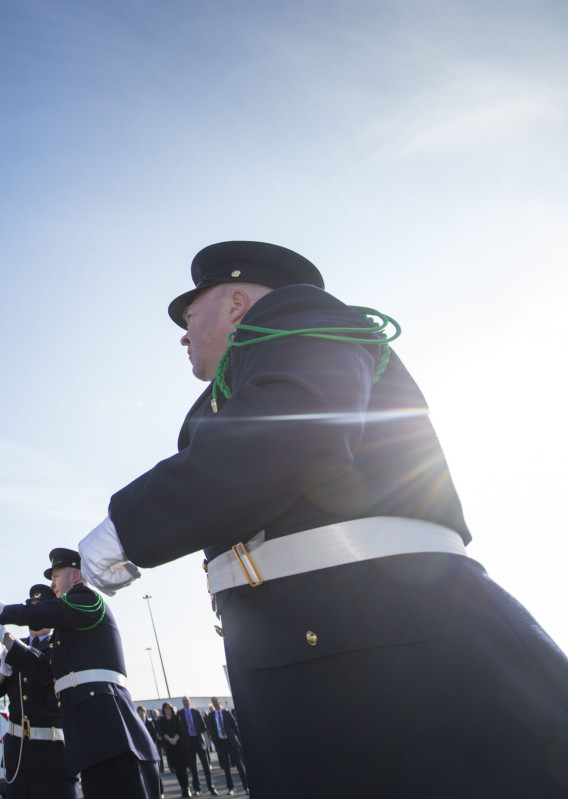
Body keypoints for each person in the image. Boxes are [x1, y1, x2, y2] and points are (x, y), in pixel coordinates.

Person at [77, 240, 568, 797]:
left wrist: (128, 524)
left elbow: (291, 431)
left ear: (238, 304)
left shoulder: (300, 316)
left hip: (384, 642)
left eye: (191, 315)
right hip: (326, 645)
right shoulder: (236, 381)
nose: (184, 335)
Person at [0, 548, 159, 799]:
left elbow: (54, 611)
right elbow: (46, 670)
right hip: (89, 740)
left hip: (111, 736)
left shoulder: (88, 600)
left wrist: (5, 611)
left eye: (56, 576)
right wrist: (9, 646)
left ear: (76, 576)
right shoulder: (66, 633)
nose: (52, 584)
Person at [0, 583, 76, 799]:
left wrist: (10, 642)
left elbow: (46, 673)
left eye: (40, 608)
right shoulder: (16, 647)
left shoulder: (63, 645)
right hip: (19, 758)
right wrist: (3, 672)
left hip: (54, 759)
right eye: (31, 608)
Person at [205, 699, 245, 796]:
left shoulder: (226, 713)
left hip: (230, 741)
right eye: (213, 702)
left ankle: (246, 786)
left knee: (239, 765)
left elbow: (235, 726)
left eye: (216, 701)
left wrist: (236, 740)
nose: (215, 703)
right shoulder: (212, 715)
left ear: (219, 702)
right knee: (226, 767)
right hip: (221, 742)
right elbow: (212, 729)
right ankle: (230, 788)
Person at [177, 698, 214, 796]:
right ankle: (197, 788)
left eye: (187, 701)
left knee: (206, 766)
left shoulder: (195, 712)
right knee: (193, 768)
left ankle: (211, 787)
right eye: (184, 701)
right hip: (189, 742)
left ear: (189, 702)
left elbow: (203, 726)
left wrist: (198, 733)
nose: (186, 703)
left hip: (198, 741)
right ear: (182, 703)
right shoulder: (180, 714)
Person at [160, 703, 191, 798]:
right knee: (177, 769)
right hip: (170, 746)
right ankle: (182, 788)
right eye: (166, 709)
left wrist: (175, 739)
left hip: (179, 745)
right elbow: (162, 732)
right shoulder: (162, 720)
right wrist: (170, 739)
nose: (167, 710)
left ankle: (187, 788)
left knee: (183, 768)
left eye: (169, 708)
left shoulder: (177, 718)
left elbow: (181, 730)